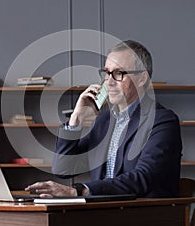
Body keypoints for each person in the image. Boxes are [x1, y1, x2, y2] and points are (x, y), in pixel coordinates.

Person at [25, 40, 182, 198]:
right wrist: (76, 119)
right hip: (104, 213)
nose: (109, 82)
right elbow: (63, 169)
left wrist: (78, 191)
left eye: (118, 73)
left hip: (145, 215)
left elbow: (143, 178)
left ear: (141, 79)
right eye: (107, 73)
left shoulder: (163, 122)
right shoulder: (103, 121)